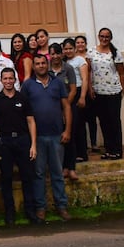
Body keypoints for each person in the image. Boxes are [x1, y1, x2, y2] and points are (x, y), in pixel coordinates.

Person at [21, 54, 72, 222]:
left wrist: (67, 130)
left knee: (57, 173)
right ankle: (40, 208)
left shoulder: (57, 83)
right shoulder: (27, 85)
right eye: (37, 63)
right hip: (37, 138)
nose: (41, 66)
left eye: (43, 63)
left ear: (47, 64)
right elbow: (24, 113)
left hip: (57, 135)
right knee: (39, 173)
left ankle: (62, 206)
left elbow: (66, 107)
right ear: (33, 66)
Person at [0, 66, 37, 226]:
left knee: (27, 177)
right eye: (5, 79)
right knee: (6, 178)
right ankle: (10, 214)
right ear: (1, 80)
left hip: (23, 141)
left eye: (11, 78)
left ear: (15, 80)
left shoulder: (23, 98)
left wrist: (33, 145)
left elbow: (31, 121)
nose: (8, 81)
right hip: (5, 143)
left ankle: (31, 212)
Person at [87, 27, 124, 160]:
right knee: (103, 121)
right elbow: (88, 71)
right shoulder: (91, 52)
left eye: (107, 37)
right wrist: (90, 88)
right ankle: (109, 149)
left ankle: (117, 150)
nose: (104, 39)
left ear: (110, 38)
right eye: (102, 36)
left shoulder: (115, 53)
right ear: (98, 36)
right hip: (98, 92)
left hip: (113, 92)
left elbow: (121, 72)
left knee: (114, 121)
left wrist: (122, 89)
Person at [49, 43, 79, 181]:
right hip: (52, 108)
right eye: (52, 53)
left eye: (57, 53)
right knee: (58, 138)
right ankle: (61, 167)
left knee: (70, 136)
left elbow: (73, 89)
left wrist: (65, 105)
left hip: (67, 106)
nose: (55, 56)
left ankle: (71, 168)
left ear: (62, 54)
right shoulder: (46, 69)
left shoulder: (68, 68)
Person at [63, 37, 89, 162]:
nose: (68, 51)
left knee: (79, 124)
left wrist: (83, 96)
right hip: (67, 93)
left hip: (78, 92)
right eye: (65, 49)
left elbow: (85, 79)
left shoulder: (80, 60)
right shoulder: (63, 62)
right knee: (70, 124)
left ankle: (82, 153)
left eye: (70, 48)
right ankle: (72, 153)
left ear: (74, 49)